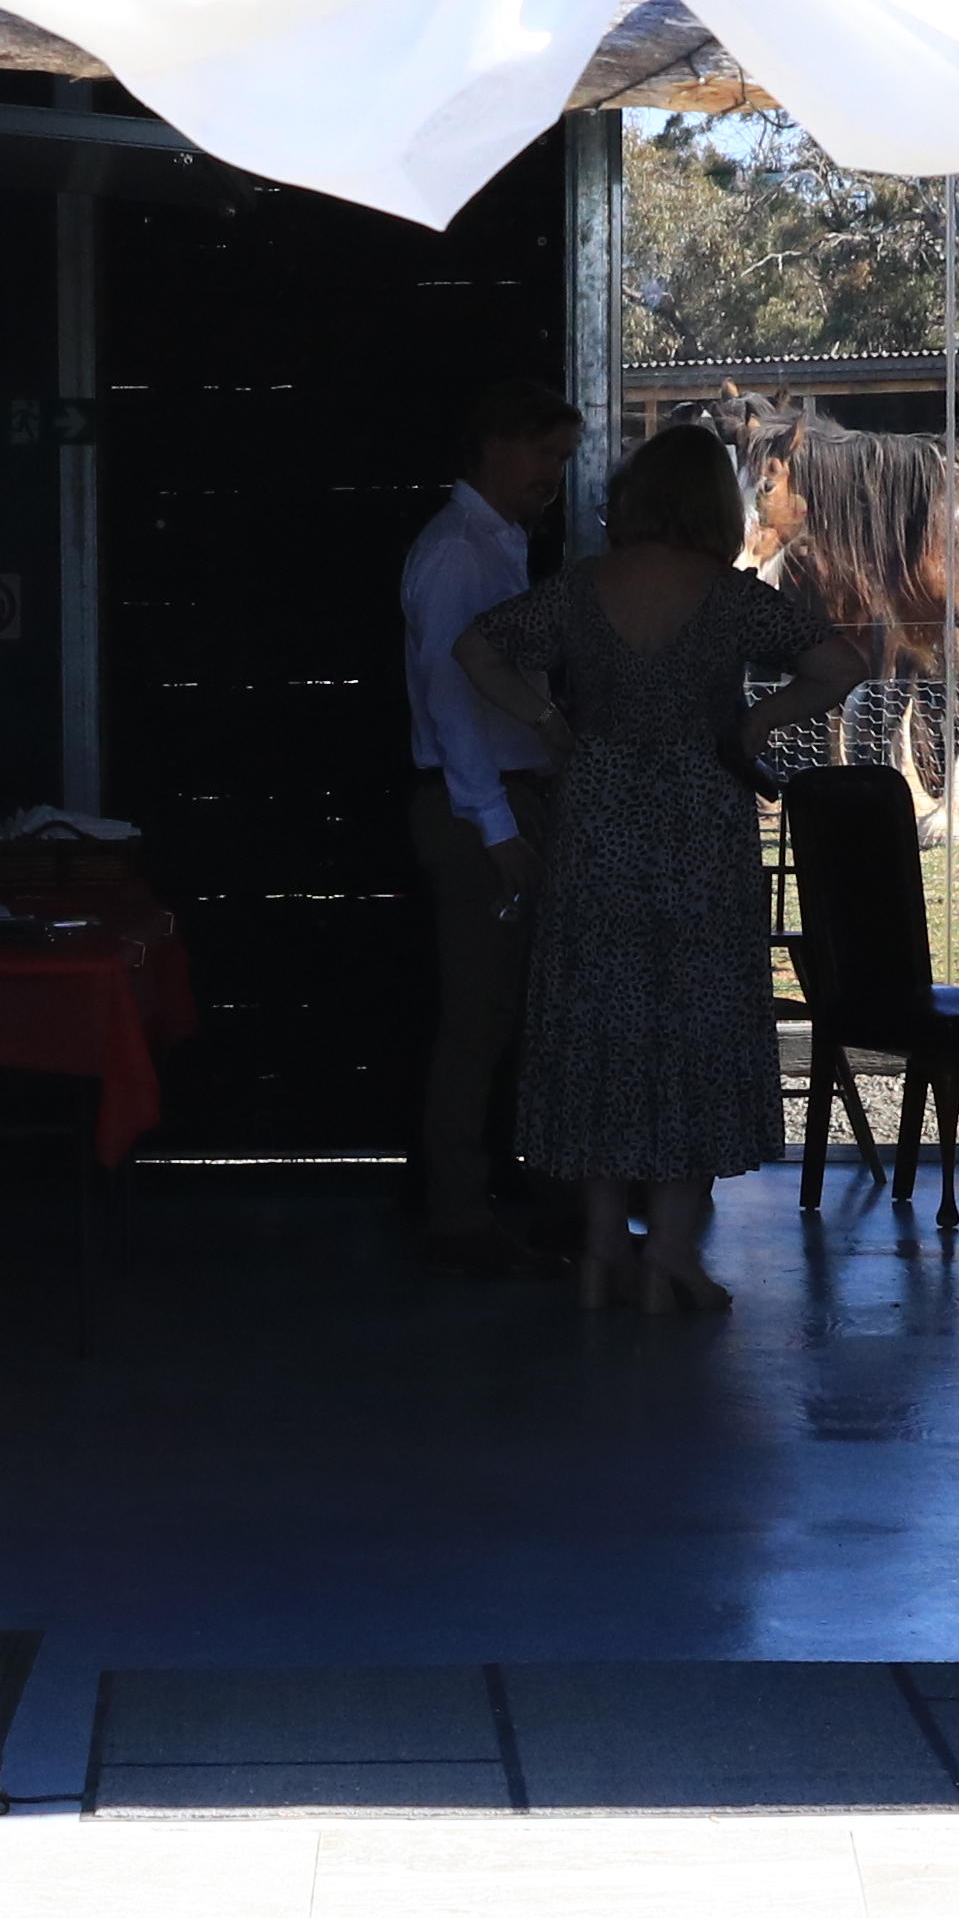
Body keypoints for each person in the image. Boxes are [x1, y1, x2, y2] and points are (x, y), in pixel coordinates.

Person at [451, 423, 879, 1310]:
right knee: (698, 1021)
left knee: (601, 1022)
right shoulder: (730, 597)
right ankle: (673, 1255)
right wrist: (755, 725)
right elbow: (842, 663)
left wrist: (547, 724)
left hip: (598, 812)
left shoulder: (579, 589)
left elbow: (475, 650)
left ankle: (605, 1247)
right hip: (700, 816)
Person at [400, 381, 581, 1271]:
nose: (555, 475)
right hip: (483, 804)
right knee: (480, 1012)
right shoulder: (460, 554)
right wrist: (497, 823)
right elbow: (451, 698)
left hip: (505, 796)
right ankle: (458, 1213)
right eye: (545, 454)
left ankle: (507, 1194)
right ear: (495, 447)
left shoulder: (498, 545)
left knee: (507, 1007)